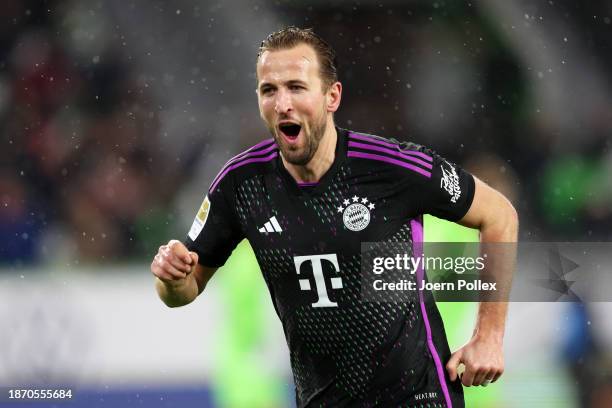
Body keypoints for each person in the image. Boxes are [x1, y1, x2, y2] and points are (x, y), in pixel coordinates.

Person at [151, 27, 518, 408]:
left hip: (418, 397)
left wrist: (488, 336)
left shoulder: (392, 167)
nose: (282, 104)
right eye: (269, 90)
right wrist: (172, 277)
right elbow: (184, 288)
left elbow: (499, 215)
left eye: (296, 87)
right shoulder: (240, 185)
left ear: (332, 96)